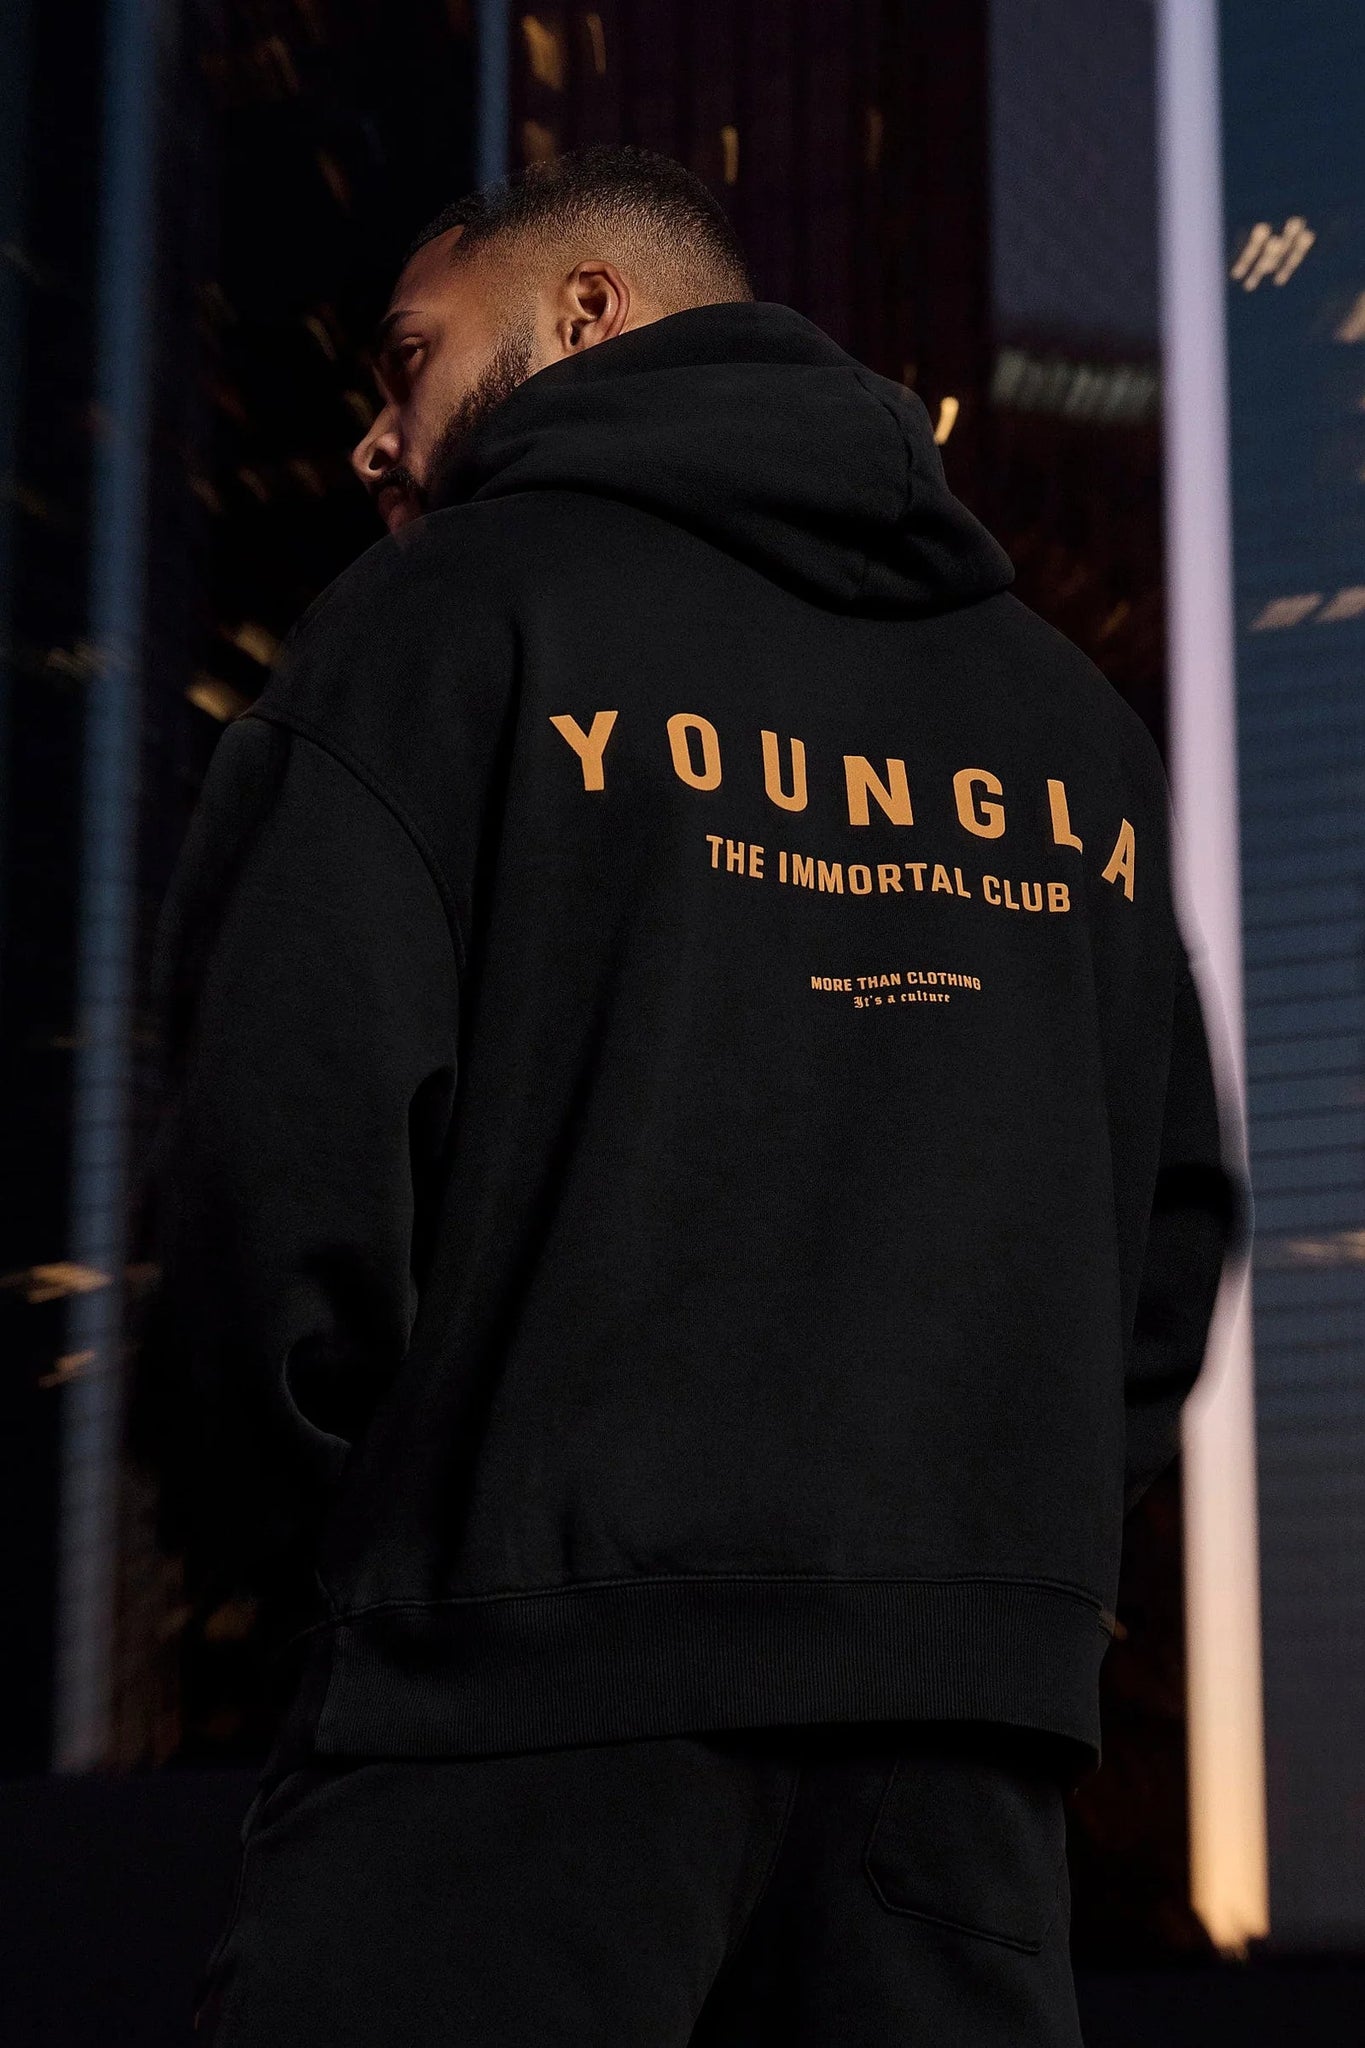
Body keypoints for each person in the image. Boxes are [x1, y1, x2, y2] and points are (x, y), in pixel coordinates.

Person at [132, 145, 1247, 2044]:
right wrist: (971, 1563)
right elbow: (1162, 1235)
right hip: (952, 1783)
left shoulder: (437, 633)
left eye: (409, 359)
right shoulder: (1064, 724)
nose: (376, 439)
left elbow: (276, 1173)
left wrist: (389, 1561)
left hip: (510, 1729)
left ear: (585, 311)